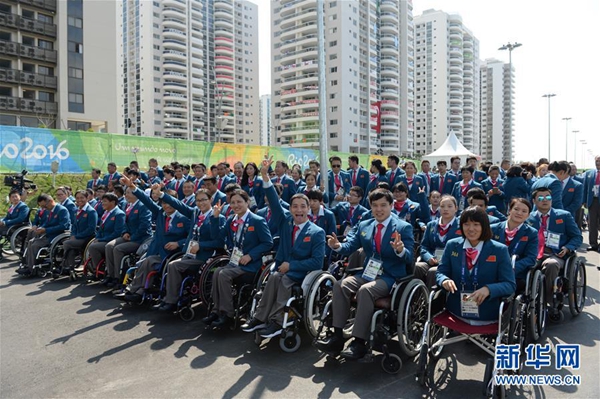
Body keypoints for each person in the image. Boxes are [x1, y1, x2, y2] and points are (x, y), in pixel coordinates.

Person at [315, 189, 414, 359]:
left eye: (383, 205)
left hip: (390, 277)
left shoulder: (403, 227)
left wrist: (400, 250)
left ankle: (358, 342)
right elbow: (349, 247)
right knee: (340, 285)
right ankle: (337, 336)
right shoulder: (365, 225)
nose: (379, 209)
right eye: (375, 205)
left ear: (391, 206)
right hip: (368, 272)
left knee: (365, 291)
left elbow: (410, 257)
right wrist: (337, 245)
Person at [241, 157, 326, 337]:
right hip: (282, 268)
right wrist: (264, 175)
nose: (299, 210)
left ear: (309, 209)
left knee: (283, 280)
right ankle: (259, 318)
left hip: (303, 273)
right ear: (291, 209)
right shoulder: (286, 221)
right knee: (272, 278)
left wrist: (292, 266)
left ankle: (278, 321)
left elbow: (317, 262)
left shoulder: (317, 232)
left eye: (303, 206)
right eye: (295, 206)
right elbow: (273, 199)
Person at [203, 189, 273, 329]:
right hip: (235, 262)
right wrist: (215, 218)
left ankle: (228, 315)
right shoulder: (230, 220)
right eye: (233, 202)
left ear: (247, 202)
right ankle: (217, 311)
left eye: (239, 202)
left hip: (251, 266)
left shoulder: (257, 220)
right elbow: (217, 238)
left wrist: (251, 255)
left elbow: (268, 243)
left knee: (223, 274)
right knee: (217, 272)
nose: (236, 205)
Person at [435, 206, 515, 325]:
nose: (471, 229)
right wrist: (444, 280)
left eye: (476, 224)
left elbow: (510, 285)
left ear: (484, 226)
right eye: (466, 224)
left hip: (488, 314)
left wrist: (488, 289)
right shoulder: (452, 245)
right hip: (456, 312)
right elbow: (440, 272)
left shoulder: (499, 250)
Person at [116, 184, 191, 302]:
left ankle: (138, 290)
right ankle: (134, 290)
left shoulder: (184, 218)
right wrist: (133, 187)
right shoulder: (161, 213)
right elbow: (147, 201)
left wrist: (178, 243)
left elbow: (191, 238)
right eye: (164, 203)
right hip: (156, 251)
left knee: (148, 261)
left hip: (173, 254)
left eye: (169, 202)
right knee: (142, 261)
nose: (167, 206)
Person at [526, 188, 582, 305]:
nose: (545, 200)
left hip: (556, 254)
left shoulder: (564, 216)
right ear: (534, 201)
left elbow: (577, 237)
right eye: (540, 198)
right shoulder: (528, 218)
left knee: (551, 264)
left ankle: (549, 302)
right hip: (534, 253)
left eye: (548, 197)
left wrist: (567, 247)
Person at [103, 185, 153, 287]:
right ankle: (110, 275)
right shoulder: (127, 205)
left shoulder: (143, 206)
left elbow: (144, 226)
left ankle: (119, 277)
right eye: (125, 192)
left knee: (118, 249)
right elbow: (125, 223)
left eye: (128, 193)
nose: (125, 195)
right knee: (109, 246)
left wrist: (133, 237)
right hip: (128, 236)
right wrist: (125, 232)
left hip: (140, 239)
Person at [17, 194, 71, 277]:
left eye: (44, 206)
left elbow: (64, 225)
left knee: (35, 244)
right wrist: (40, 228)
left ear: (50, 201)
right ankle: (27, 264)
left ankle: (31, 269)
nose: (43, 208)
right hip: (48, 234)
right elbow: (46, 223)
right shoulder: (48, 210)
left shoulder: (62, 210)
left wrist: (46, 230)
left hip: (57, 235)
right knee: (31, 242)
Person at [414, 195, 461, 288]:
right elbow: (424, 246)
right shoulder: (431, 225)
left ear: (456, 209)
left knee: (433, 272)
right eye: (442, 206)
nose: (445, 209)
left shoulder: (461, 226)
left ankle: (429, 300)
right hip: (433, 260)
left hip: (450, 263)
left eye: (449, 206)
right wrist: (429, 258)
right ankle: (415, 296)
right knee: (417, 267)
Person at [491, 198, 538, 288]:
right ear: (509, 210)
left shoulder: (531, 233)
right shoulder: (493, 229)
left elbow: (531, 258)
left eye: (524, 211)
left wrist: (512, 268)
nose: (519, 213)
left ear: (528, 215)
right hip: (492, 270)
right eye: (516, 209)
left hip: (516, 273)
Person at [59, 190, 98, 276]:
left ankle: (64, 265)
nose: (79, 200)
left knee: (67, 243)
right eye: (77, 198)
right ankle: (70, 267)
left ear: (87, 198)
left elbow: (91, 229)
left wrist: (77, 236)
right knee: (70, 248)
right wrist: (73, 235)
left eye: (82, 198)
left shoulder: (91, 211)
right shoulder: (77, 210)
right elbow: (74, 226)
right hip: (77, 237)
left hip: (87, 237)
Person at [87, 193, 126, 277]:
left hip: (111, 240)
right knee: (92, 244)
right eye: (102, 201)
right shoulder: (106, 213)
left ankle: (102, 271)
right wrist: (97, 238)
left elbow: (117, 232)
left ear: (112, 202)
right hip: (103, 239)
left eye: (105, 201)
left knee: (93, 247)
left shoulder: (119, 214)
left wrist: (101, 240)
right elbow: (100, 230)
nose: (102, 203)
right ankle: (98, 269)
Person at [583, 155, 600, 252]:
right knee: (592, 223)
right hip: (592, 201)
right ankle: (593, 244)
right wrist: (584, 201)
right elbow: (585, 188)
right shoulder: (589, 173)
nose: (598, 163)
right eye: (597, 161)